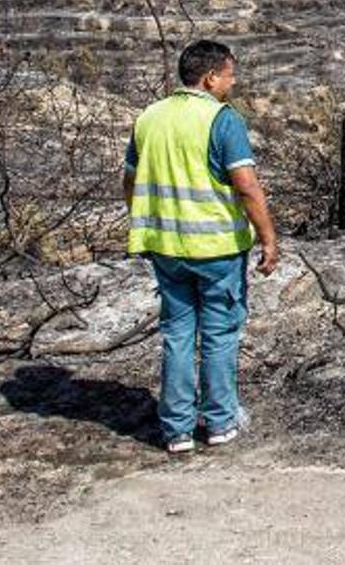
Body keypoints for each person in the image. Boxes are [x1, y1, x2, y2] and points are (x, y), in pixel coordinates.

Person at [123, 40, 278, 454]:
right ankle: (220, 421)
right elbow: (245, 185)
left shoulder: (149, 117)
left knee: (176, 332)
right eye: (230, 75)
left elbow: (130, 181)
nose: (233, 82)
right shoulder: (222, 120)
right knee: (219, 333)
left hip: (165, 246)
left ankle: (175, 429)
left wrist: (146, 222)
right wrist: (267, 237)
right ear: (210, 77)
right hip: (215, 246)